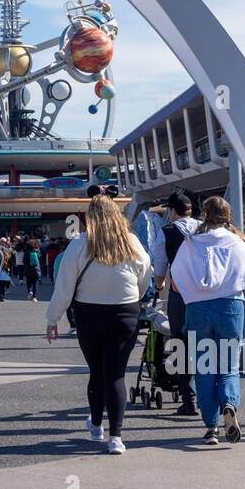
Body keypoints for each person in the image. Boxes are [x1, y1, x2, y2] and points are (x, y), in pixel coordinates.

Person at [45, 195, 151, 455]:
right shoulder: (131, 242)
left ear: (89, 217)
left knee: (96, 371)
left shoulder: (80, 244)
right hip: (125, 313)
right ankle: (116, 437)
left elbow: (64, 285)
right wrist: (133, 298)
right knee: (115, 374)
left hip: (89, 313)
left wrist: (53, 318)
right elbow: (145, 275)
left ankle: (95, 425)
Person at [170, 196, 245, 446]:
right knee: (228, 365)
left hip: (197, 309)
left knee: (204, 368)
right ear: (228, 215)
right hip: (231, 306)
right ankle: (229, 403)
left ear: (204, 214)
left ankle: (211, 427)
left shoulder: (190, 244)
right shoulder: (241, 244)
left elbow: (176, 284)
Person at [151, 192, 200, 416]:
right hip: (207, 294)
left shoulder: (167, 232)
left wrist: (158, 285)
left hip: (180, 295)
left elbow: (160, 267)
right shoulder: (204, 228)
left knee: (181, 344)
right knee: (204, 343)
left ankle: (188, 399)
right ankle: (210, 395)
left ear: (172, 211)